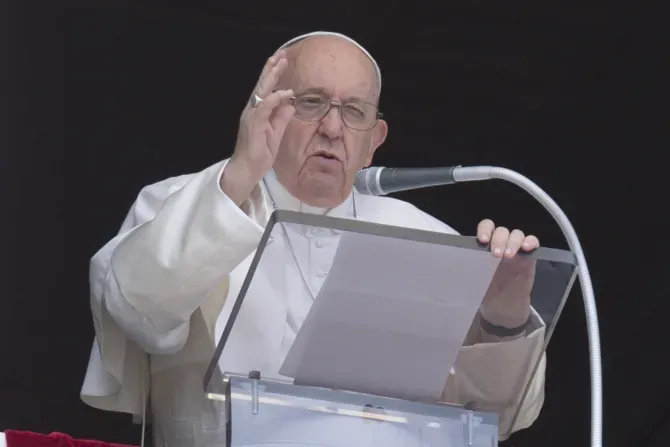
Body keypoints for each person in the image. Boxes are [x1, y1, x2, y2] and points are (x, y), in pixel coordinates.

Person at [80, 31, 547, 446]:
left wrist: (504, 319)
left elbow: (501, 417)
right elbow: (138, 313)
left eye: (354, 111)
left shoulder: (426, 238)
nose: (332, 128)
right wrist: (239, 175)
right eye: (311, 102)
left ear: (374, 141)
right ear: (268, 114)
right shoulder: (186, 204)